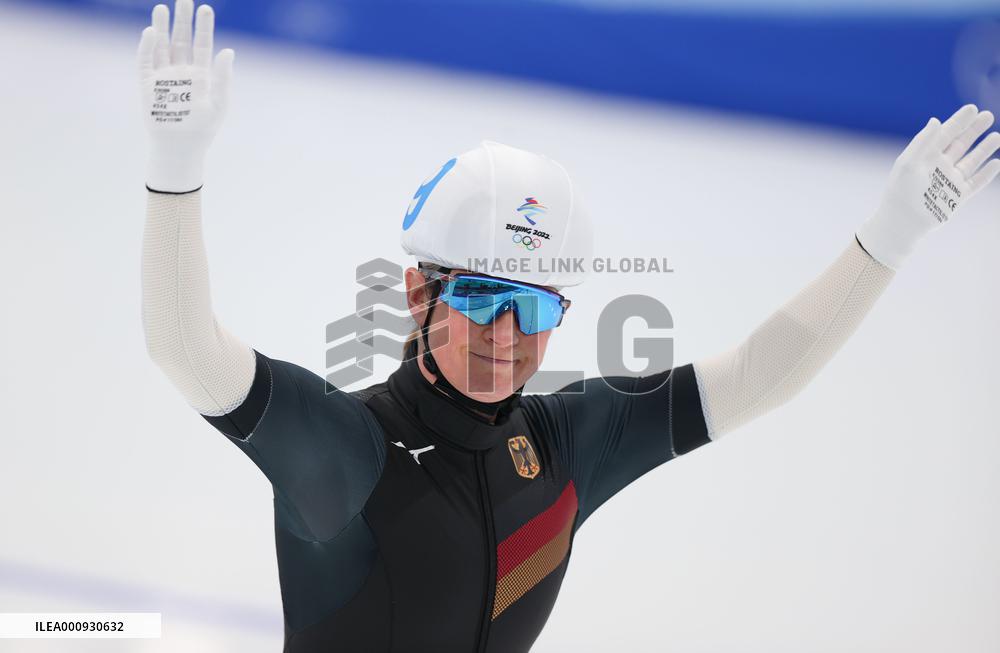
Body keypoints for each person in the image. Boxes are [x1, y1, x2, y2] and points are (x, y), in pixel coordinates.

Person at [137, 2, 1000, 651]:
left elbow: (759, 374)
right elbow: (184, 344)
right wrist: (175, 171)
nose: (507, 332)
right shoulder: (349, 454)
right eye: (480, 295)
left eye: (538, 306)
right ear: (415, 292)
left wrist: (886, 238)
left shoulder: (566, 442)